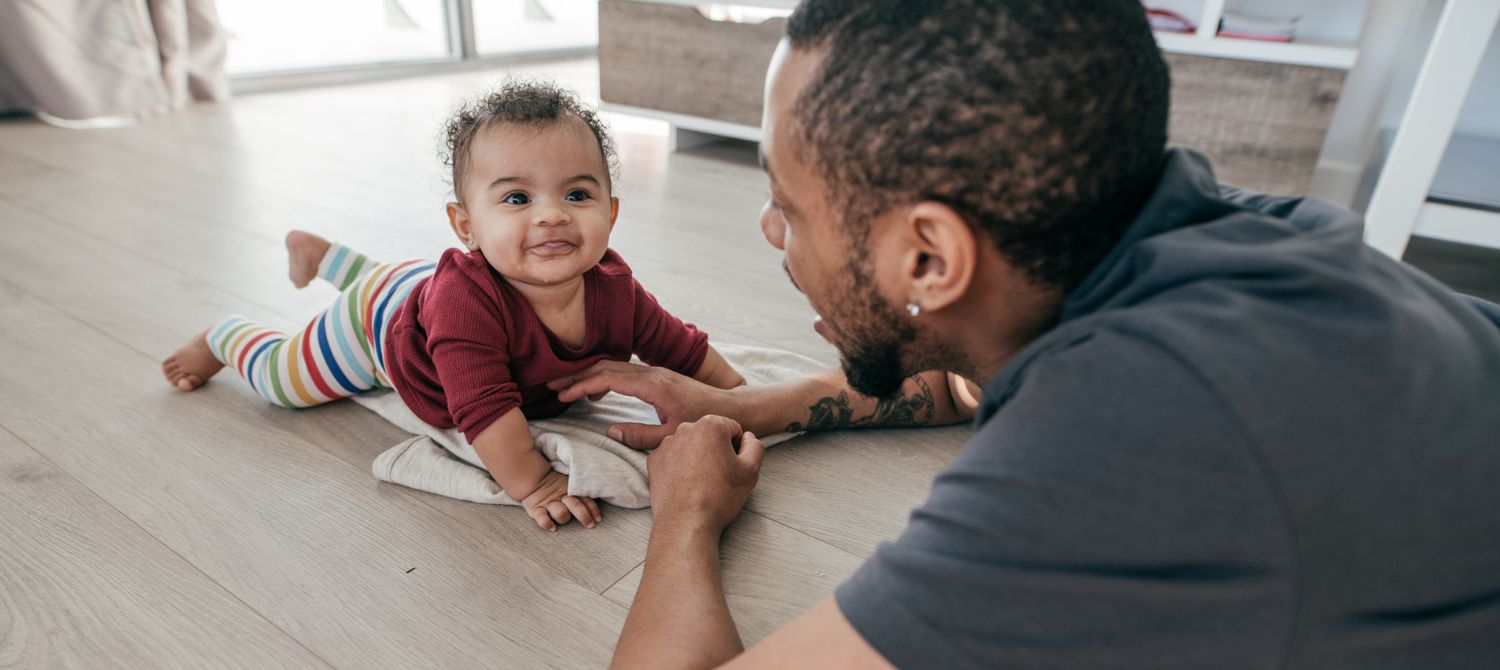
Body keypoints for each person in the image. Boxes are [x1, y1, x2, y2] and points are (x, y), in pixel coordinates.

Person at [551, 1, 1500, 667]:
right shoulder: (1218, 227)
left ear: (930, 260)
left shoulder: (1129, 446)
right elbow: (968, 380)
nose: (769, 233)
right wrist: (759, 401)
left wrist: (686, 510)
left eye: (786, 206)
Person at [160, 80, 745, 532]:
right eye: (517, 197)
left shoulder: (614, 286)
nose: (551, 214)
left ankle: (326, 256)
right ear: (466, 225)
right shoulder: (465, 308)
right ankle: (224, 337)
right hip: (374, 328)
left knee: (406, 282)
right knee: (287, 384)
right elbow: (483, 410)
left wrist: (740, 395)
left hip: (416, 287)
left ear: (610, 213)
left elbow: (679, 347)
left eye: (577, 193)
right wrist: (536, 484)